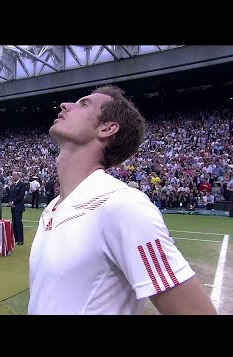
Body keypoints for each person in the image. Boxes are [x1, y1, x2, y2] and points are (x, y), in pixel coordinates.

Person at [28, 85, 217, 315]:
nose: (65, 105)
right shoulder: (51, 208)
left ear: (107, 128)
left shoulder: (121, 205)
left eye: (84, 104)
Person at [8, 171, 25, 245]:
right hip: (13, 207)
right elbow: (10, 195)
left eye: (14, 175)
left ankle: (21, 239)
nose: (13, 176)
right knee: (14, 223)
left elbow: (21, 196)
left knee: (18, 223)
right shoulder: (12, 186)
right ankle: (16, 238)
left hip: (18, 207)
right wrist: (10, 202)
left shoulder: (22, 185)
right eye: (12, 175)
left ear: (18, 176)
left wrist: (13, 202)